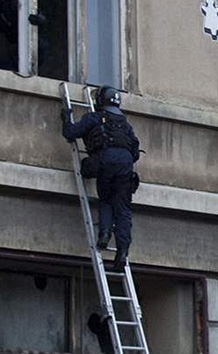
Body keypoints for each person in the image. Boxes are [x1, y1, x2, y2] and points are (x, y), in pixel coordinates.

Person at [61, 86, 140, 272]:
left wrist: (66, 117)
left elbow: (70, 133)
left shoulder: (94, 118)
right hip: (126, 165)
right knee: (122, 209)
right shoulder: (125, 124)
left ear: (100, 102)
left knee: (105, 199)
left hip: (106, 161)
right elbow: (135, 151)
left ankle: (104, 235)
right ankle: (122, 252)